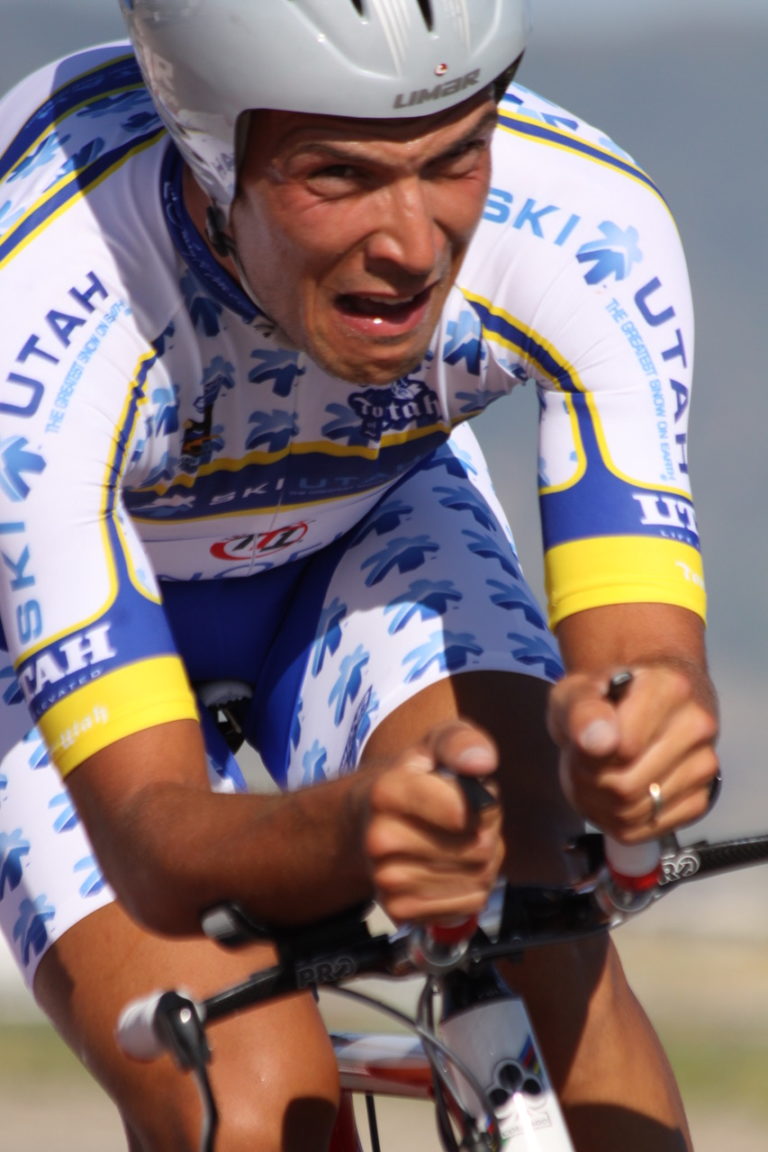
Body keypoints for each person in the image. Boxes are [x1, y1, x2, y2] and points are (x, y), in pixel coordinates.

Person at [0, 1, 719, 1149]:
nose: (416, 240)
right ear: (207, 154)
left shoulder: (587, 224)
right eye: (335, 174)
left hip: (361, 532)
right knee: (242, 1094)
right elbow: (150, 840)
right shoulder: (38, 303)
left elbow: (643, 667)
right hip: (37, 628)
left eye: (456, 157)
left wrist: (643, 743)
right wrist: (351, 833)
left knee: (544, 900)